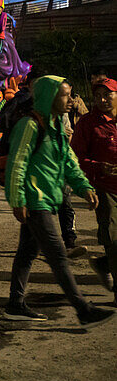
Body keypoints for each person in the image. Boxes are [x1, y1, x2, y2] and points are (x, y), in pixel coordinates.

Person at [2, 76, 113, 327]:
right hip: (35, 201)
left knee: (27, 253)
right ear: (49, 97)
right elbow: (17, 164)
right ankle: (83, 309)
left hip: (47, 200)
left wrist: (83, 187)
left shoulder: (55, 125)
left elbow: (69, 163)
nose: (71, 100)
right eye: (65, 95)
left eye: (70, 94)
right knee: (58, 256)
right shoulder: (30, 125)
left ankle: (15, 304)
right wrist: (18, 199)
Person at [71, 78, 117, 301]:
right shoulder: (88, 123)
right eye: (98, 95)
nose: (101, 99)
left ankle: (103, 263)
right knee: (113, 237)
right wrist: (100, 167)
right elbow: (76, 158)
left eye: (107, 95)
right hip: (106, 187)